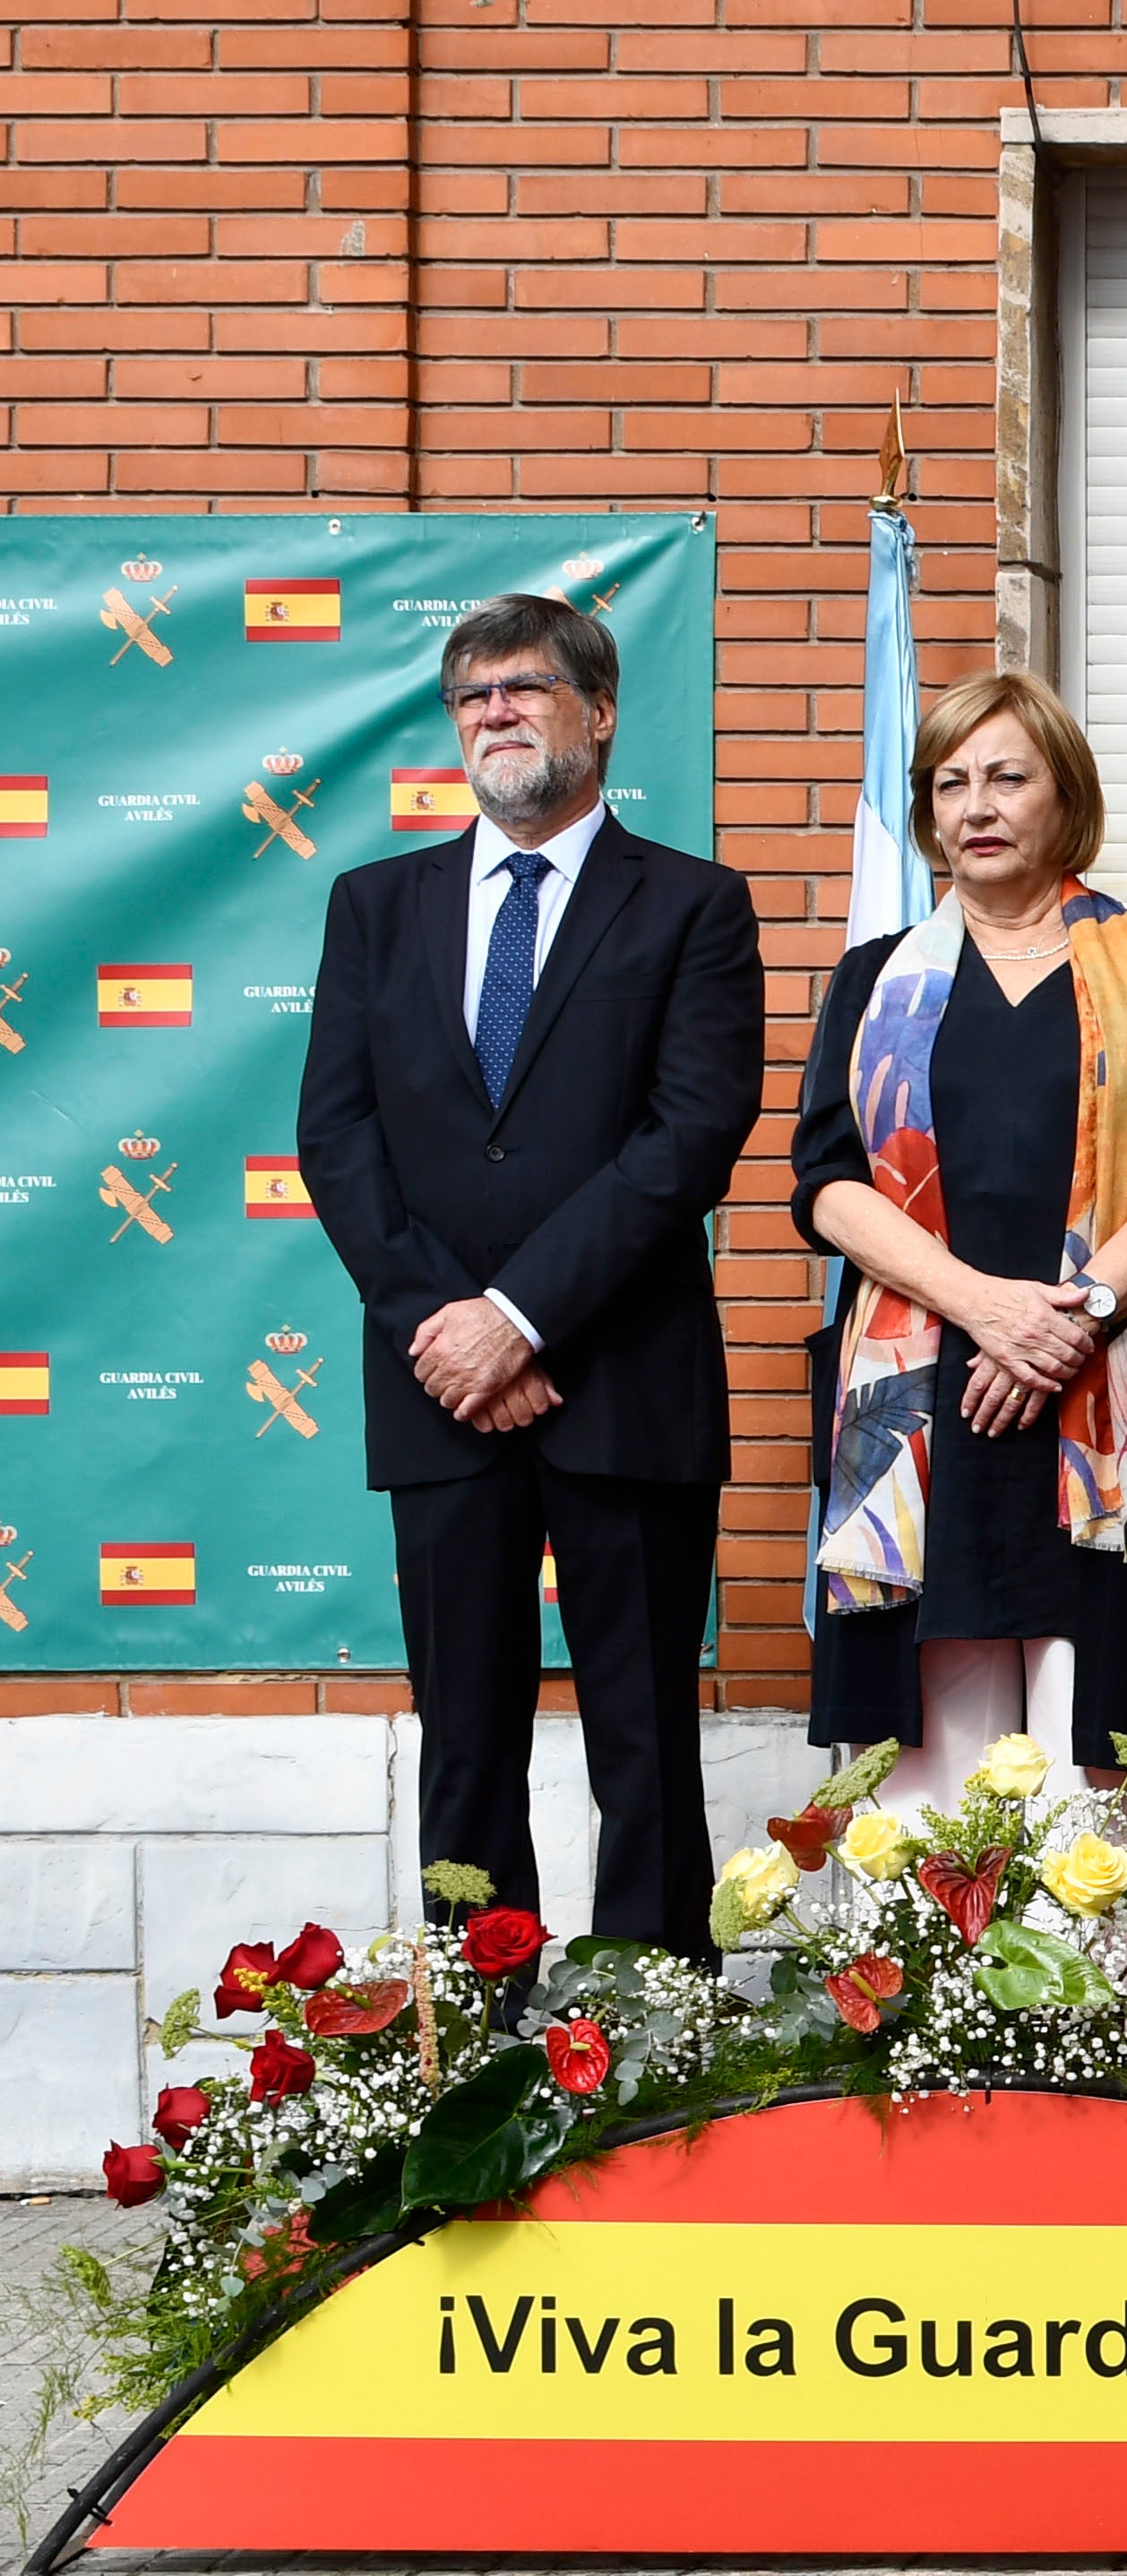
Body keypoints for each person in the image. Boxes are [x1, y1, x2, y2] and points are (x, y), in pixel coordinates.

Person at [294, 591, 764, 1950]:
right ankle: (483, 2038)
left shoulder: (692, 905)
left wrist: (520, 1318)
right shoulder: (376, 906)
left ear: (599, 713)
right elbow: (336, 1135)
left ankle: (651, 2027)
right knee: (465, 1738)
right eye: (471, 694)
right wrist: (450, 1328)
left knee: (643, 1738)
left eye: (524, 687)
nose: (493, 712)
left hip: (622, 1382)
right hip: (439, 1392)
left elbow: (690, 1140)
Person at [796, 673, 1127, 1805]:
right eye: (950, 783)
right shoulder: (876, 980)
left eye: (1007, 776)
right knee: (930, 1775)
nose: (976, 806)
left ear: (1067, 796)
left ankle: (1099, 1987)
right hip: (925, 1389)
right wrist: (986, 1309)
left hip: (1105, 1372)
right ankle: (929, 1984)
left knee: (1097, 1760)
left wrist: (1071, 1319)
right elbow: (825, 1181)